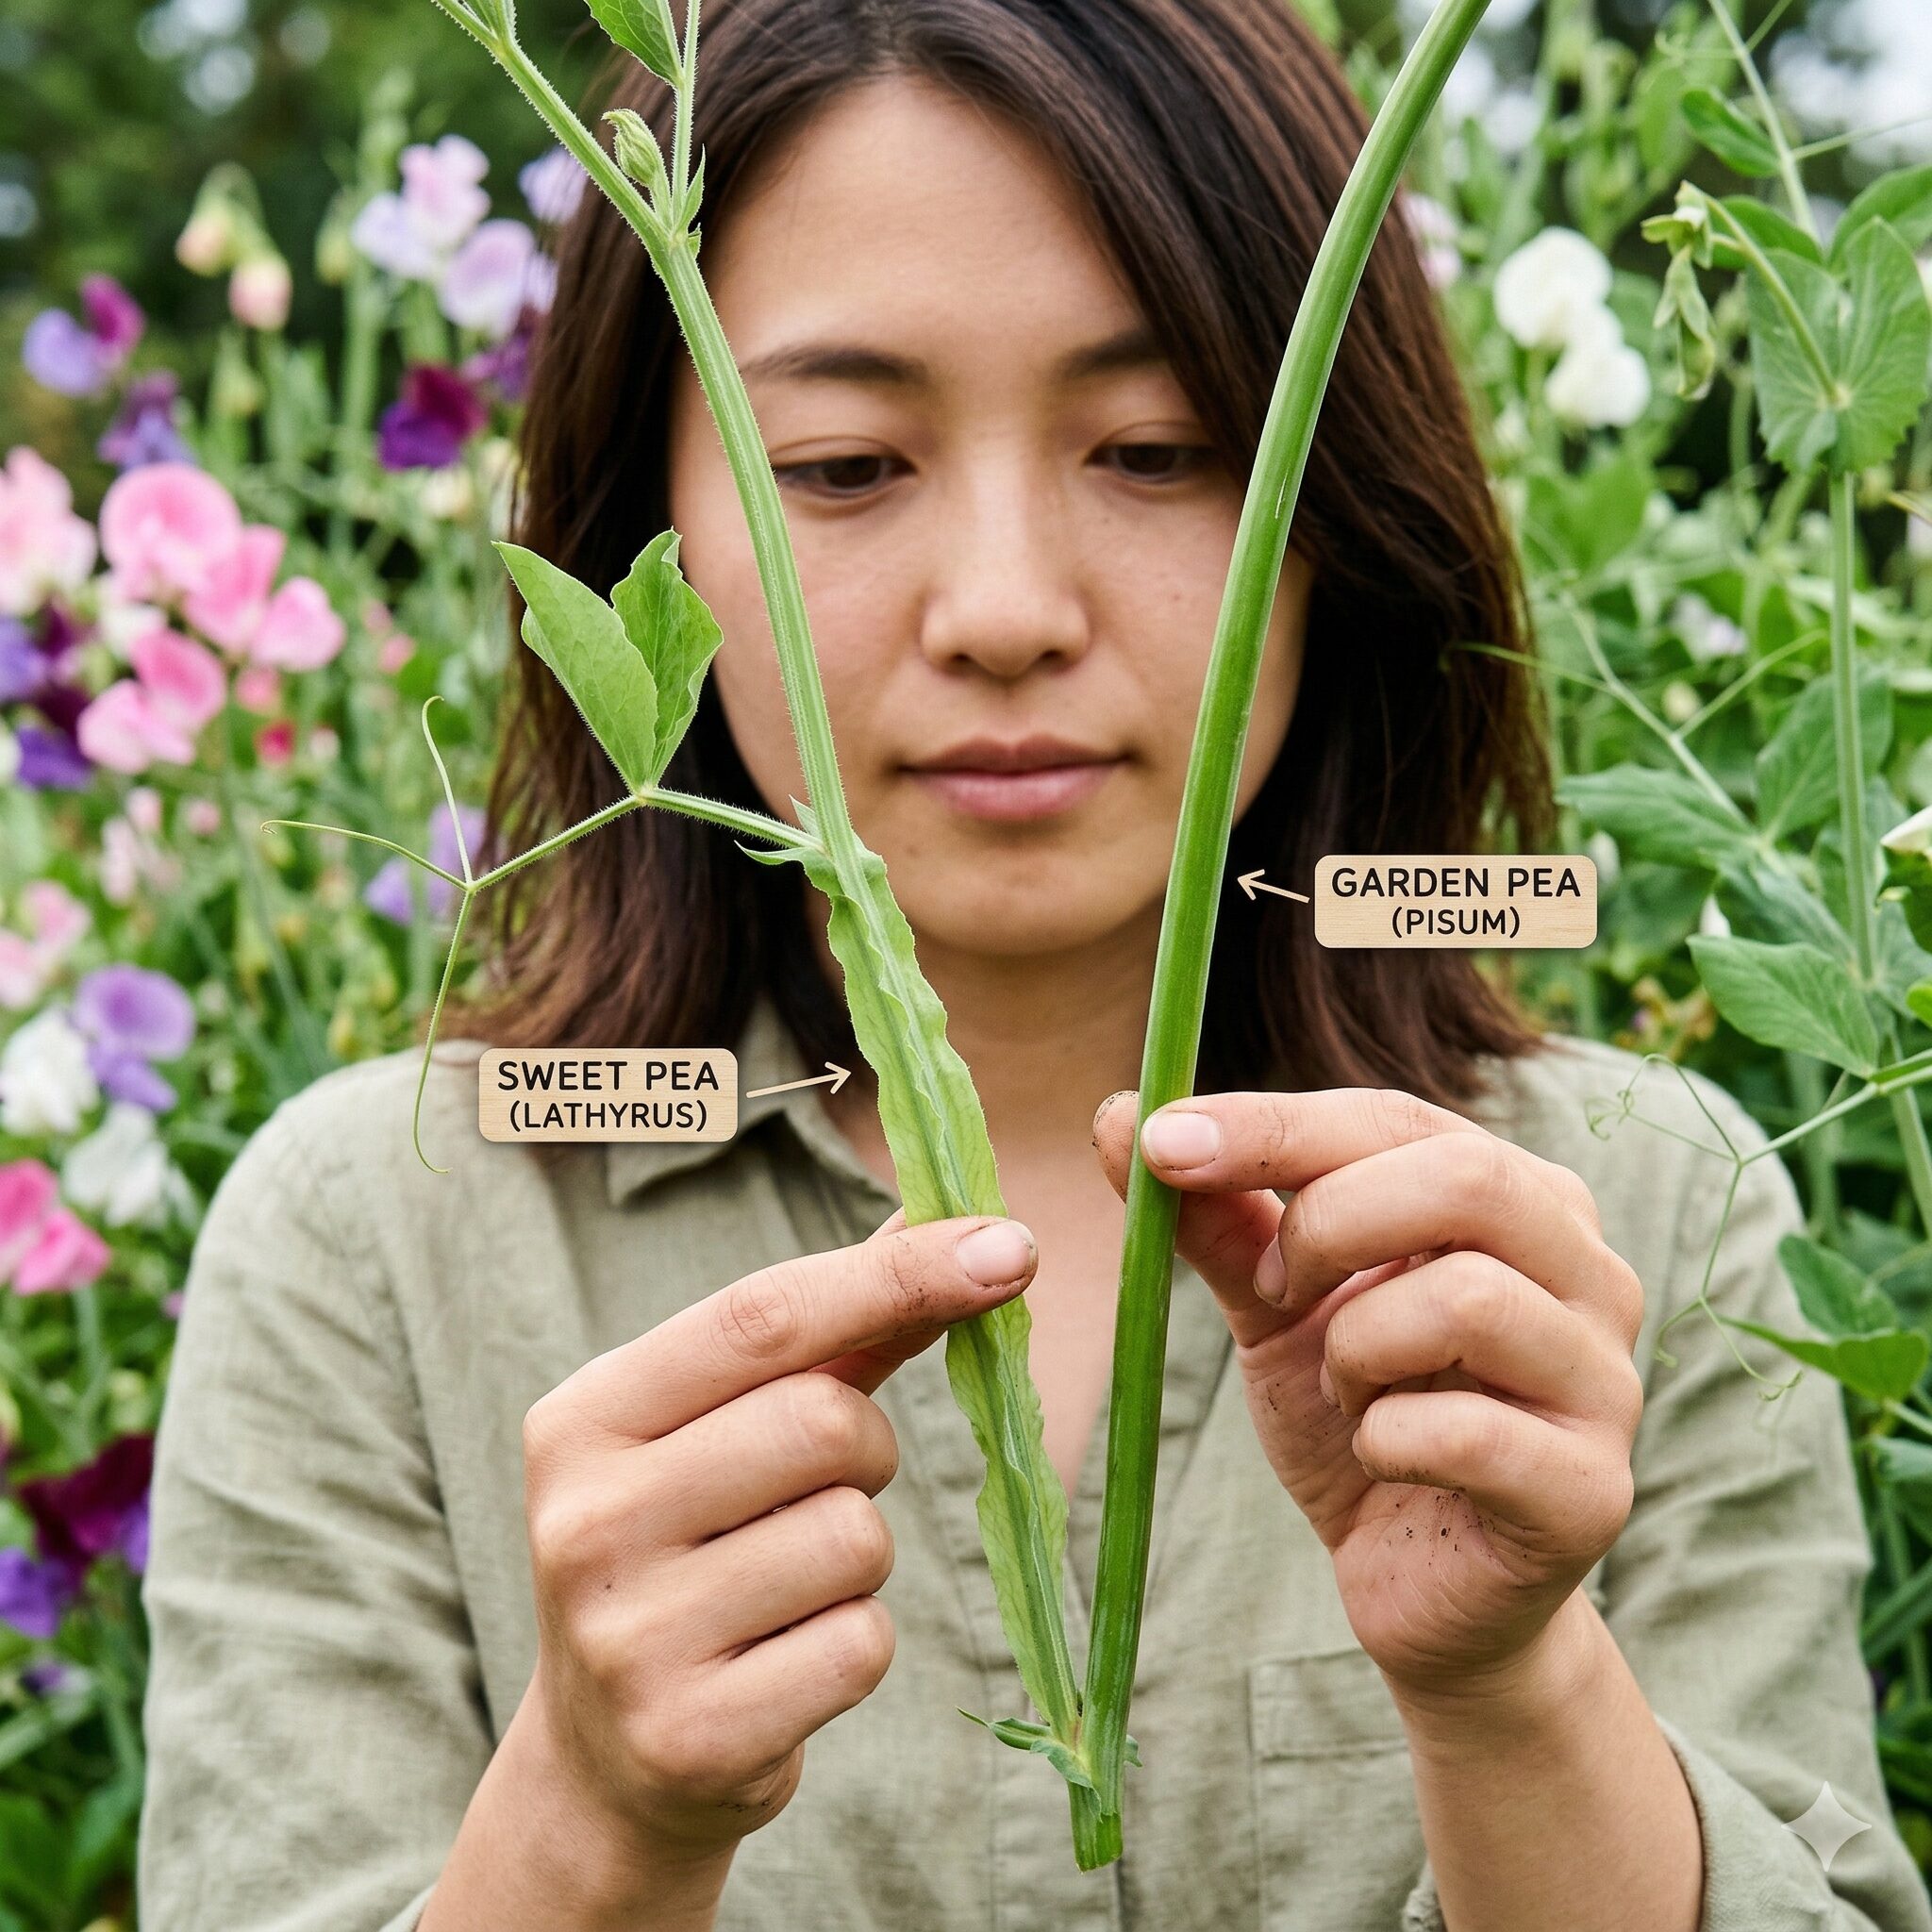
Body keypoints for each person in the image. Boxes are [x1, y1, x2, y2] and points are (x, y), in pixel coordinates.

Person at [136, 1, 1932, 1927]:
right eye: (839, 463)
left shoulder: (1643, 1201)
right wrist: (593, 1814)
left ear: (1339, 511)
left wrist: (1511, 1685)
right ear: (636, 517)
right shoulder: (378, 1227)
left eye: (1156, 447)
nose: (1005, 611)